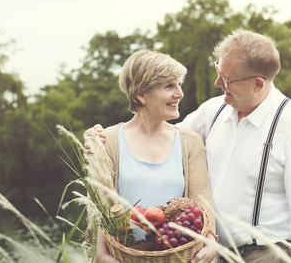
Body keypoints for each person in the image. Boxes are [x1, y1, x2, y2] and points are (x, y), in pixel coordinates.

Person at [178, 30, 291, 262]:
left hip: (267, 254)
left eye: (227, 79)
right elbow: (168, 141)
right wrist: (110, 136)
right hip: (212, 253)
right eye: (218, 72)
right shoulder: (213, 110)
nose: (217, 83)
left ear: (258, 83)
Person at [83, 49, 217, 263]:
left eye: (179, 84)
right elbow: (99, 209)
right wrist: (101, 255)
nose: (180, 93)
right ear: (140, 94)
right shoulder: (108, 141)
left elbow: (203, 205)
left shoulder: (189, 142)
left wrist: (211, 242)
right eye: (169, 86)